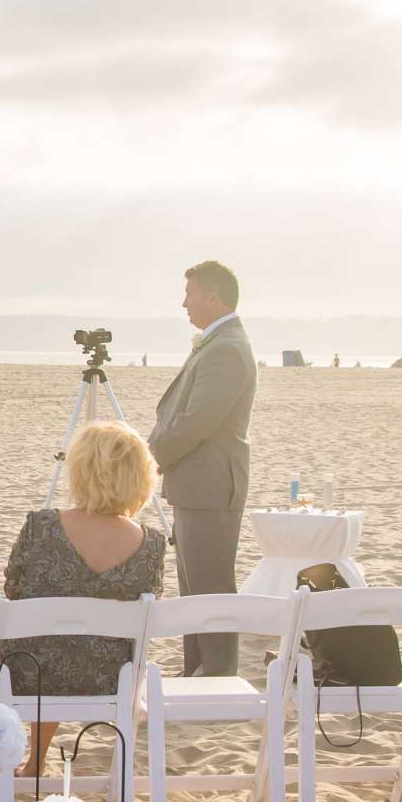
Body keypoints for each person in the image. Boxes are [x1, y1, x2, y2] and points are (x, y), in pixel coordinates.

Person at [0, 422, 168, 771]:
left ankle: (35, 762)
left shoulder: (40, 527)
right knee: (76, 644)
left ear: (80, 470)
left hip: (31, 675)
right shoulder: (151, 545)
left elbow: (13, 590)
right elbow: (150, 606)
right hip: (111, 678)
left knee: (50, 643)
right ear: (140, 477)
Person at [148, 260, 255, 675]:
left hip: (211, 485)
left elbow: (198, 421)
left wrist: (152, 455)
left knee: (210, 584)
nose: (184, 303)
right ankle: (196, 668)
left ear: (214, 296)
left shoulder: (227, 348)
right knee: (192, 586)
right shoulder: (217, 343)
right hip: (196, 484)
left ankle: (218, 671)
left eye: (190, 293)